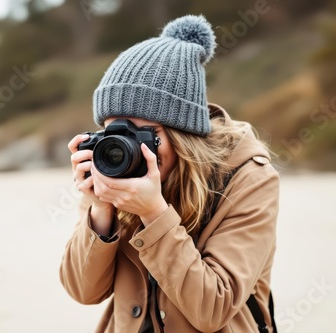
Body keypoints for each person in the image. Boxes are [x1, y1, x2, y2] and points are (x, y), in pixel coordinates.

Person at [60, 14, 279, 333]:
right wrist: (100, 210)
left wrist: (153, 213)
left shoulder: (246, 177)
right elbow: (83, 290)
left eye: (144, 132)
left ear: (183, 134)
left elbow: (213, 309)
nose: (126, 146)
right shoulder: (110, 175)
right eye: (114, 131)